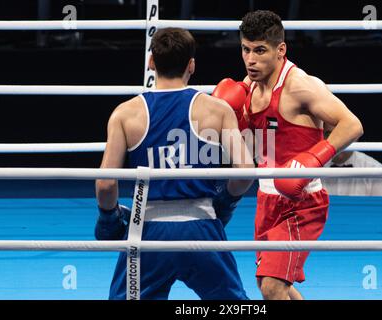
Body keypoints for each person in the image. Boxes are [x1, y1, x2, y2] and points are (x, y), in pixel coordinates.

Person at [213, 10, 363, 300]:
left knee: (272, 286)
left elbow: (352, 124)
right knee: (268, 285)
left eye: (260, 51)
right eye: (245, 49)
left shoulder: (300, 86)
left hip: (302, 202)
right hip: (266, 198)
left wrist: (314, 158)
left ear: (280, 50)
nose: (250, 59)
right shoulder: (249, 84)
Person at [94, 27, 254, 300]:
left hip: (148, 232)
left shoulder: (126, 113)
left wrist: (109, 218)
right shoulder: (217, 110)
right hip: (202, 228)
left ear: (151, 62)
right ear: (191, 65)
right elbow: (245, 174)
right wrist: (224, 203)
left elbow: (106, 183)